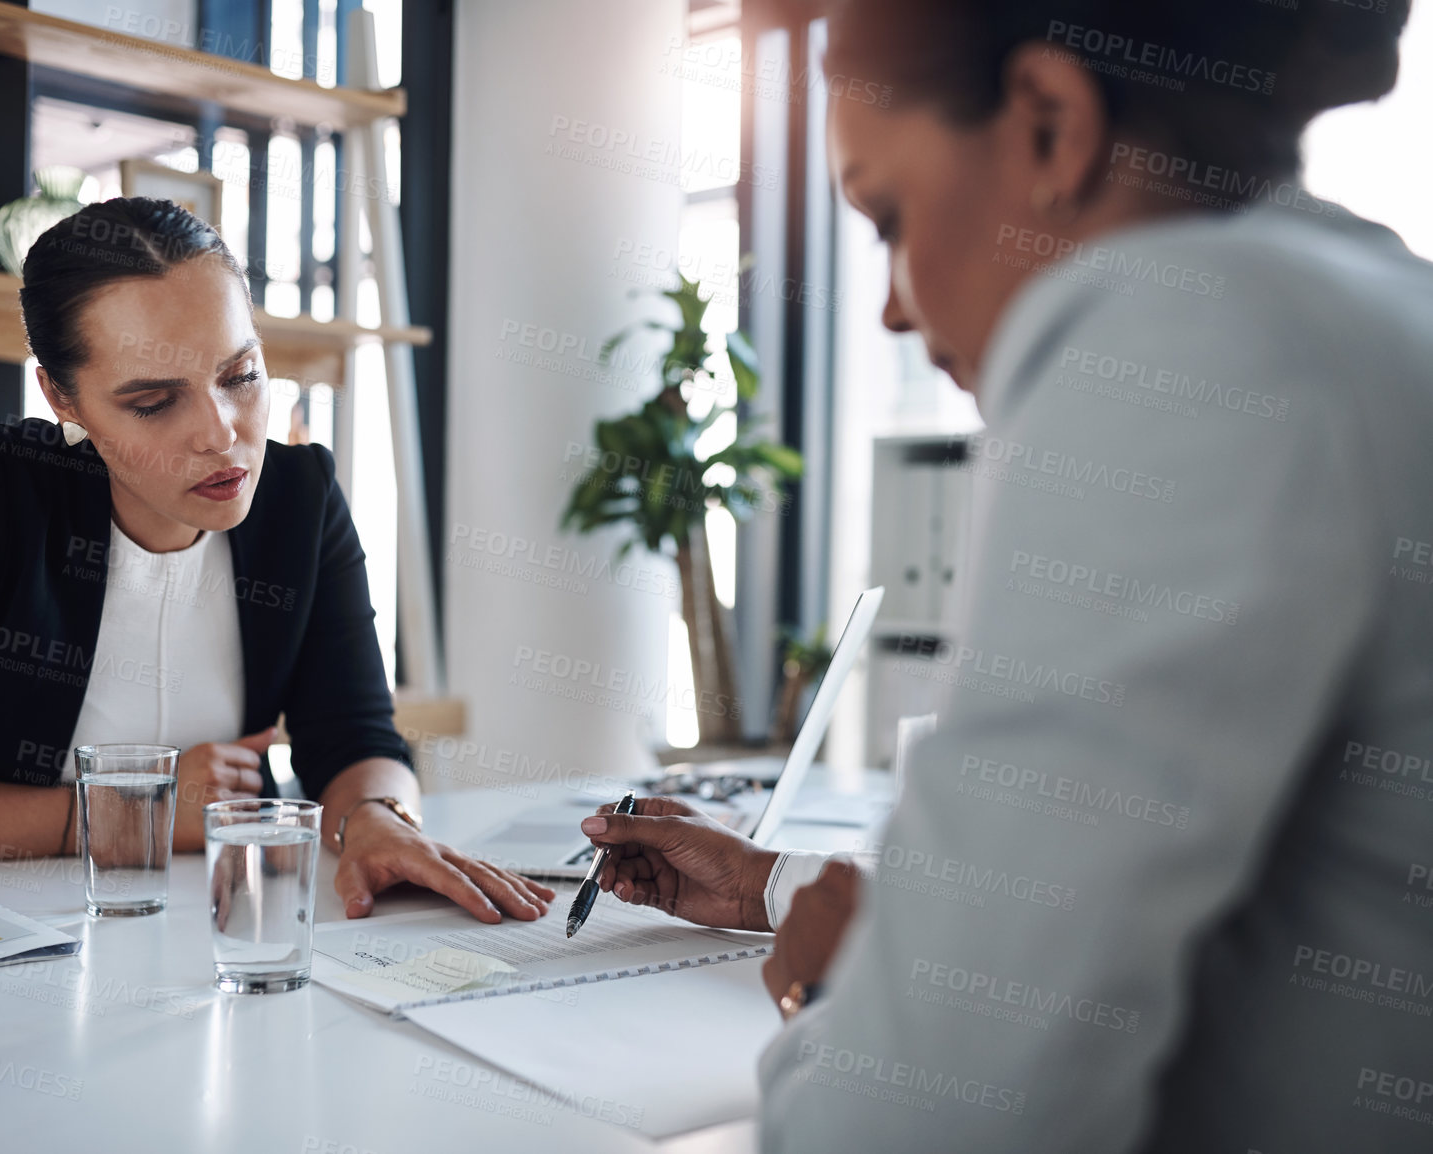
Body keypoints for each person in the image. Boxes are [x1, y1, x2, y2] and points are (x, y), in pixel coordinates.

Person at [582, 1, 1431, 1150]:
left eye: (885, 214)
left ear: (1047, 123)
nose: (887, 303)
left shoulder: (1184, 345)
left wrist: (828, 1005)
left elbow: (925, 1123)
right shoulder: (1372, 306)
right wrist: (775, 890)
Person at [0, 198, 553, 924]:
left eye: (241, 375)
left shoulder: (298, 502)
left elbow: (355, 740)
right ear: (62, 398)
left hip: (210, 928)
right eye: (152, 402)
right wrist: (127, 815)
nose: (221, 432)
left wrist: (377, 818)